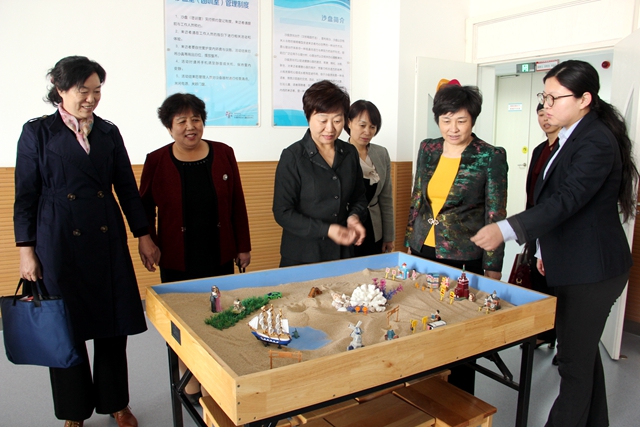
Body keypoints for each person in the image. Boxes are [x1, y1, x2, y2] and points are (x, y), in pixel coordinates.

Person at [471, 60, 638, 427]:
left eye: (553, 98)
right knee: (583, 357)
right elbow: (552, 202)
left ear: (584, 99)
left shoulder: (596, 140)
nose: (545, 106)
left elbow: (567, 200)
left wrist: (507, 229)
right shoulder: (569, 137)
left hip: (593, 270)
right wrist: (543, 250)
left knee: (573, 366)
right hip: (572, 262)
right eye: (543, 97)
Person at [13, 56, 160, 427]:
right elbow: (25, 196)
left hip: (106, 237)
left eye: (97, 91)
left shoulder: (108, 132)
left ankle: (116, 403)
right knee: (65, 328)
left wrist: (144, 235)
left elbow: (126, 187)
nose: (91, 98)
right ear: (60, 88)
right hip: (58, 240)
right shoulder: (37, 132)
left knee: (113, 327)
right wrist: (26, 251)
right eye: (84, 90)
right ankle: (74, 411)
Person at [139, 93, 251, 401]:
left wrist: (243, 245)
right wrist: (146, 240)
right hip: (176, 256)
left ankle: (213, 378)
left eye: (196, 119)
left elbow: (237, 203)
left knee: (218, 318)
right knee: (183, 321)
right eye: (181, 121)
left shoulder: (224, 153)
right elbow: (144, 208)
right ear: (169, 127)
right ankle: (187, 374)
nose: (190, 127)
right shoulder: (156, 160)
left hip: (218, 253)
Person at [404, 82, 507, 394]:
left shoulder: (489, 155)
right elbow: (417, 198)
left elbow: (495, 214)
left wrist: (493, 266)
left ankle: (461, 395)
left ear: (473, 119)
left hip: (464, 255)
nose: (453, 128)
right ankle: (425, 388)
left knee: (460, 328)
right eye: (446, 120)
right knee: (421, 318)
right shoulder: (428, 149)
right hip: (424, 250)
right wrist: (409, 243)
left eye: (461, 120)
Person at [273, 80, 368, 267]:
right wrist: (327, 230)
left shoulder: (349, 153)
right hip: (303, 255)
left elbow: (359, 197)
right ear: (308, 117)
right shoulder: (293, 156)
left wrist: (354, 217)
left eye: (337, 121)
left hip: (342, 253)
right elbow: (283, 212)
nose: (330, 128)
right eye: (323, 120)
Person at [526, 103, 562, 360]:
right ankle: (544, 331)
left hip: (557, 223)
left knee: (557, 281)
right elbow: (532, 189)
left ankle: (561, 339)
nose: (545, 119)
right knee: (536, 277)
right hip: (535, 221)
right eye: (540, 114)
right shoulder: (540, 149)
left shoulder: (566, 148)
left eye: (548, 113)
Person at [345, 100, 395, 256]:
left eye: (372, 127)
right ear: (349, 123)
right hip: (348, 227)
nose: (367, 132)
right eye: (362, 125)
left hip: (375, 227)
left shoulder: (381, 153)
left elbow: (386, 198)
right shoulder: (339, 153)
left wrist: (389, 236)